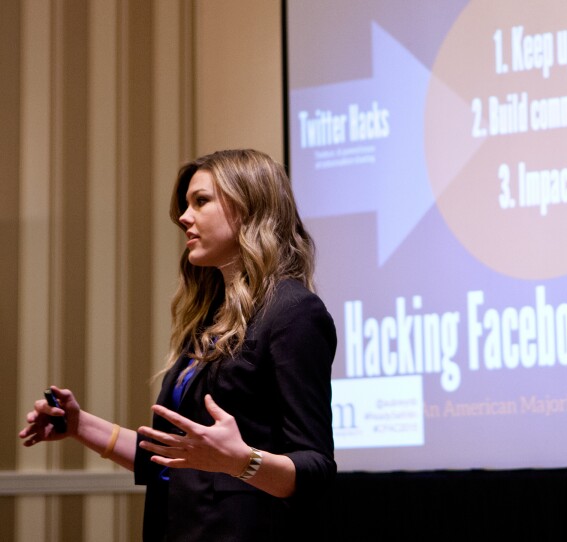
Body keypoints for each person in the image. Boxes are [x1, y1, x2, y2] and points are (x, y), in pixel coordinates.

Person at [19, 149, 337, 541]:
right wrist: (78, 425)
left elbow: (316, 469)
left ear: (249, 207)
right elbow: (170, 458)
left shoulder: (293, 313)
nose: (184, 218)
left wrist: (243, 461)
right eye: (186, 205)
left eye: (200, 201)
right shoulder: (208, 320)